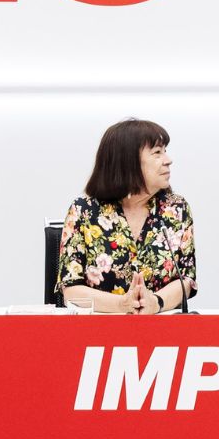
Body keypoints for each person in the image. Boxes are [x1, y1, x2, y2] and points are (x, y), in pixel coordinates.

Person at [59, 119, 197, 314]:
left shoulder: (176, 209)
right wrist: (122, 304)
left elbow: (186, 281)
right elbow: (71, 289)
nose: (168, 159)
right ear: (128, 161)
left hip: (161, 331)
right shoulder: (83, 211)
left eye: (165, 151)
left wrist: (155, 302)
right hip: (97, 333)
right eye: (157, 153)